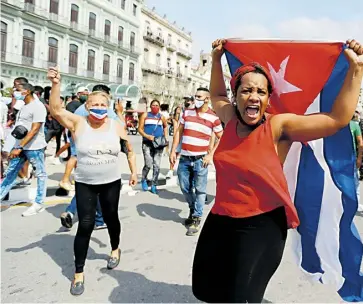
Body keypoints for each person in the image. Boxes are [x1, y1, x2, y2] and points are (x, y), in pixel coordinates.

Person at [191, 39, 363, 303]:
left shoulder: (278, 127)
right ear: (236, 95)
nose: (254, 96)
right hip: (221, 219)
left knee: (242, 297)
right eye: (246, 90)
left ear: (268, 98)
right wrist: (215, 59)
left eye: (261, 92)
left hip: (261, 225)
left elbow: (336, 119)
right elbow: (216, 96)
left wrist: (357, 70)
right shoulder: (229, 119)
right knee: (206, 288)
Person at [47, 66, 137, 296]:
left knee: (111, 218)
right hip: (86, 182)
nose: (98, 108)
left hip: (111, 182)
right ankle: (78, 273)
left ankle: (115, 248)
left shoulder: (116, 125)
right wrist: (56, 84)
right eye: (94, 105)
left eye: (102, 105)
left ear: (108, 107)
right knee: (85, 225)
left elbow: (129, 149)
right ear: (86, 107)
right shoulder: (79, 123)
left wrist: (134, 171)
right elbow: (56, 109)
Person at [170, 88, 223, 236]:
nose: (196, 99)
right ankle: (193, 209)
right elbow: (179, 132)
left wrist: (210, 155)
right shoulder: (187, 113)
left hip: (201, 160)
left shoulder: (213, 118)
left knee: (200, 190)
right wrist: (173, 150)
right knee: (184, 187)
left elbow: (222, 137)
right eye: (196, 96)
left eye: (199, 97)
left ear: (207, 99)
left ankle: (196, 217)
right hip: (185, 158)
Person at [0, 83, 47, 217]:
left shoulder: (38, 107)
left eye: (17, 90)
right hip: (20, 146)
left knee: (40, 174)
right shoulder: (23, 106)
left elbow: (34, 130)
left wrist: (19, 147)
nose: (14, 92)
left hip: (34, 147)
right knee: (10, 173)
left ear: (26, 92)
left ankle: (39, 203)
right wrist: (13, 146)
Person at [138, 99, 168, 194]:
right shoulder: (145, 115)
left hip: (159, 144)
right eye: (153, 105)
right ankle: (144, 179)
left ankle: (154, 185)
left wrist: (165, 138)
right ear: (150, 106)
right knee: (148, 164)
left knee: (157, 165)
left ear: (159, 107)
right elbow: (139, 129)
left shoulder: (162, 117)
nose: (155, 107)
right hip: (147, 143)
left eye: (157, 105)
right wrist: (147, 136)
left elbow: (165, 126)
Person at [350, 111, 363, 210]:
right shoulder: (338, 125)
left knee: (355, 181)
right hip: (339, 158)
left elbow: (360, 143)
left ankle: (356, 203)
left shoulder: (354, 126)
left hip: (351, 157)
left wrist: (359, 158)